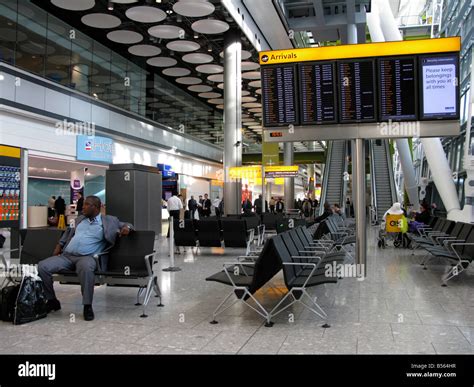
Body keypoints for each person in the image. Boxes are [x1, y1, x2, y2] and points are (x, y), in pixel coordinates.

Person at [38, 196, 133, 321]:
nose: (83, 207)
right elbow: (67, 233)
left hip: (87, 257)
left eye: (87, 205)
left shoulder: (109, 220)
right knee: (43, 266)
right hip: (67, 256)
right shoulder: (78, 220)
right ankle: (52, 301)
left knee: (86, 268)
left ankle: (87, 305)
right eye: (83, 204)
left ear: (96, 207)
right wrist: (59, 245)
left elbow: (128, 224)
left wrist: (127, 228)